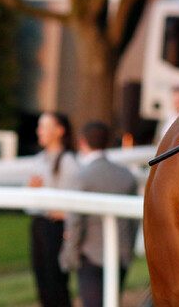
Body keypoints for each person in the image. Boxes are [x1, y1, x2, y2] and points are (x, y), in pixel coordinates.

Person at [59, 121, 139, 307]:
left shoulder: (82, 176)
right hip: (121, 253)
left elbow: (75, 221)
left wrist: (69, 255)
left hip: (91, 256)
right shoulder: (126, 175)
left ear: (82, 142)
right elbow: (133, 221)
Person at [28, 112, 79, 307]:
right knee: (41, 280)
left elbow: (76, 198)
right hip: (39, 224)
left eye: (44, 126)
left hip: (57, 228)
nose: (39, 131)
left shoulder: (68, 161)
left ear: (59, 131)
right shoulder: (40, 158)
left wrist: (63, 213)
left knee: (56, 282)